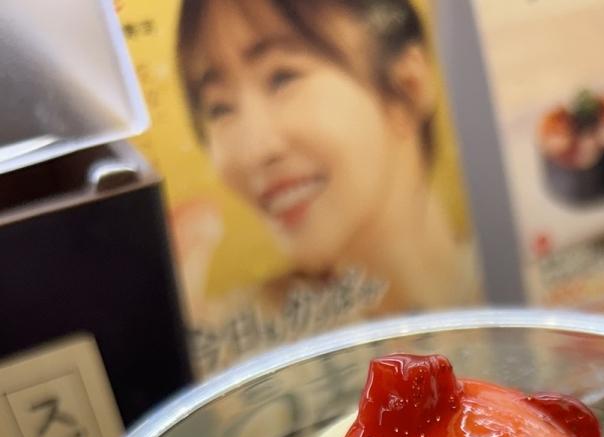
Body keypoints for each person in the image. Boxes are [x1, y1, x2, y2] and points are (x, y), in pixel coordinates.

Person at [173, 0, 478, 354]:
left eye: (282, 77)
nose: (253, 152)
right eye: (219, 108)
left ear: (407, 87)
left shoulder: (518, 278)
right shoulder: (246, 348)